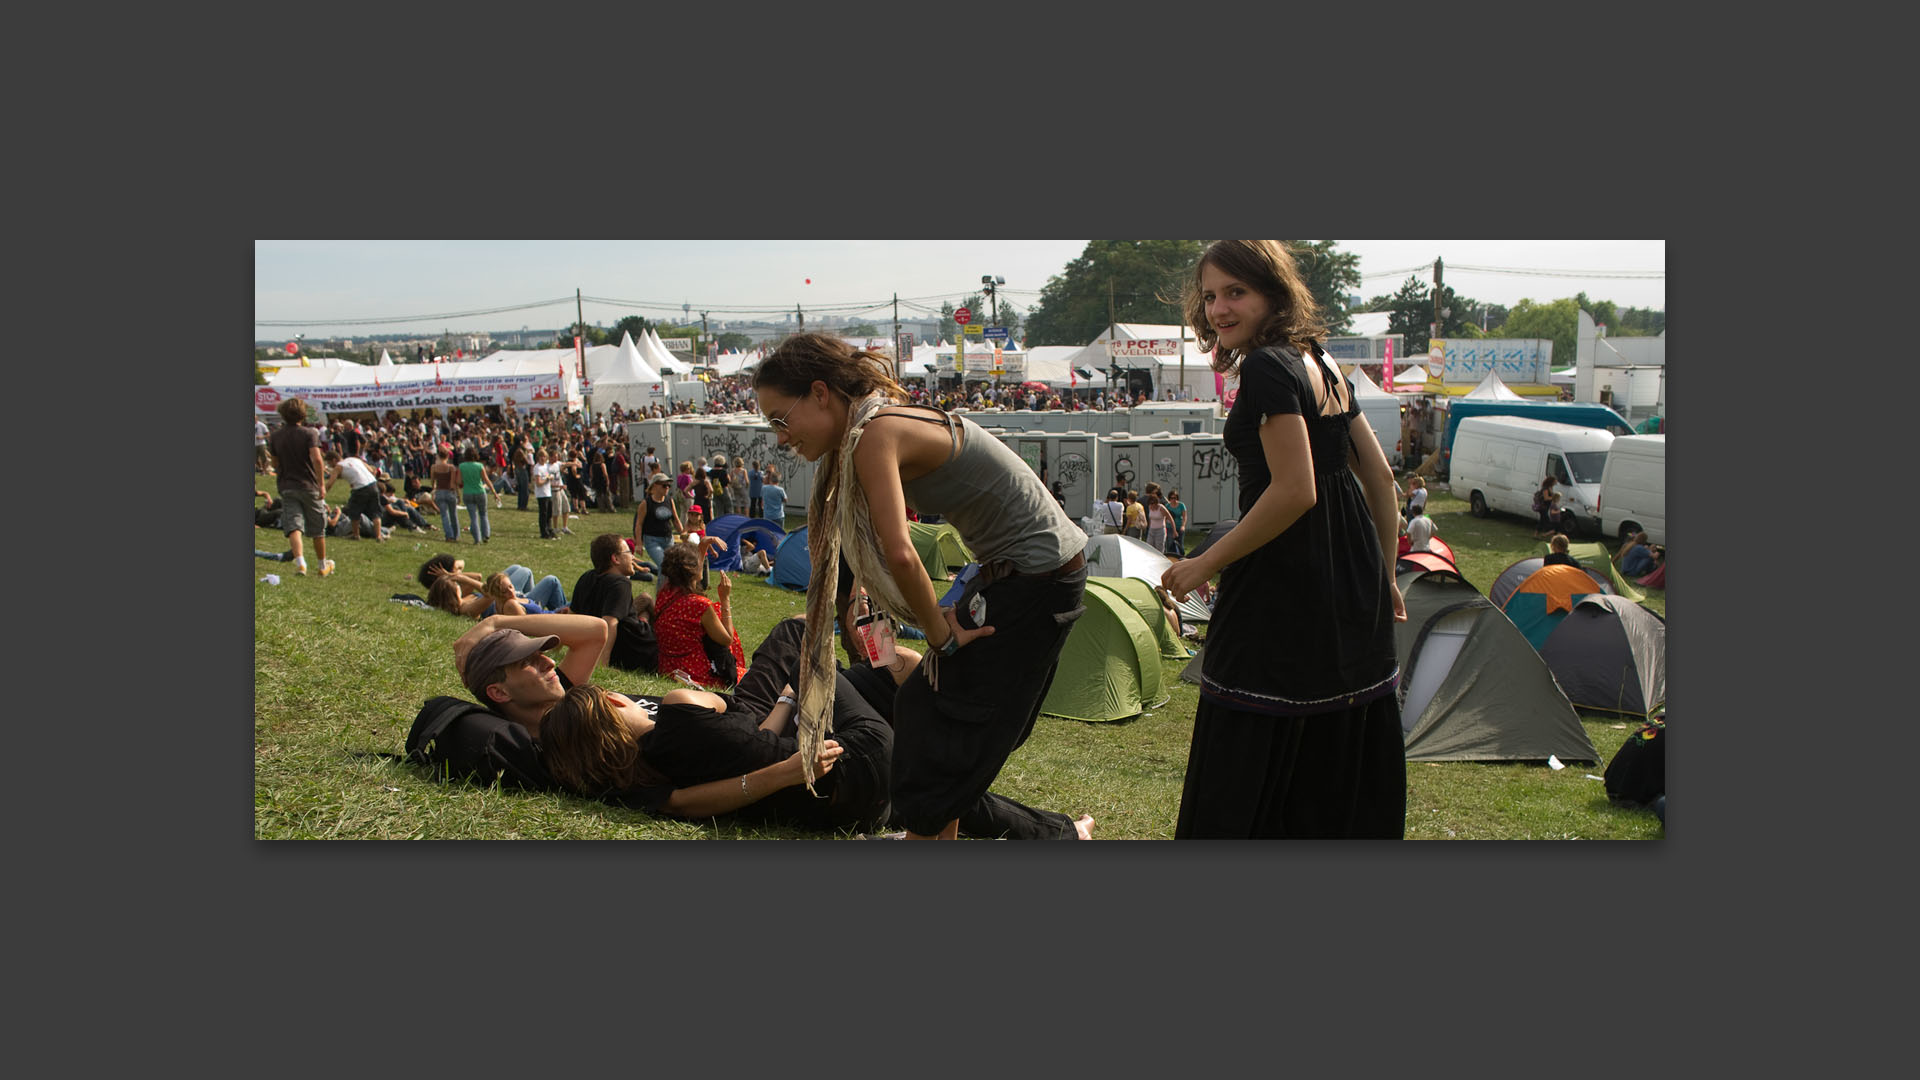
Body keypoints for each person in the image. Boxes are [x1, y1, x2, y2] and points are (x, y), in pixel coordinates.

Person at [753, 331, 1096, 841]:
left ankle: (947, 837)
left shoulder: (873, 434)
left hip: (1039, 576)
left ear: (821, 393)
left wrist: (940, 635)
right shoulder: (874, 425)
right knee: (929, 708)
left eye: (781, 419)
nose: (780, 437)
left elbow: (901, 553)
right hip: (1021, 571)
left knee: (948, 720)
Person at [1161, 239, 1406, 839]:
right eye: (1211, 295)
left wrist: (1201, 565)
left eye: (1236, 292)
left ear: (1273, 291)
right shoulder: (1318, 359)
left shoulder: (1270, 365)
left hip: (1285, 580)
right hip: (1347, 577)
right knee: (1331, 755)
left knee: (1246, 743)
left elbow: (1296, 491)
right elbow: (1378, 479)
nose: (1219, 308)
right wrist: (1384, 574)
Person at [651, 540, 746, 688]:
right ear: (692, 570)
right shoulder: (699, 605)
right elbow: (727, 639)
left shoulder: (664, 592)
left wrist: (704, 545)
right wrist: (725, 599)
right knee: (750, 676)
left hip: (668, 668)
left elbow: (691, 573)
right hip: (695, 672)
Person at [570, 533, 659, 672]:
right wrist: (602, 665)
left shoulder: (586, 577)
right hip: (641, 653)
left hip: (629, 639)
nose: (633, 557)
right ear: (615, 558)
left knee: (645, 600)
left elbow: (572, 616)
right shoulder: (620, 582)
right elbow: (610, 623)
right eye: (629, 552)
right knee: (647, 604)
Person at [266, 397, 333, 577]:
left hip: (287, 485)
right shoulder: (310, 433)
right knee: (318, 527)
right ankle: (321, 565)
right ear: (302, 414)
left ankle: (301, 563)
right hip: (309, 485)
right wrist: (321, 484)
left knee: (294, 526)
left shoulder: (275, 436)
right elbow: (317, 459)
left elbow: (274, 462)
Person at [633, 472, 684, 568]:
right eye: (664, 485)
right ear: (655, 485)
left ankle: (666, 583)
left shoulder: (669, 500)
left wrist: (684, 535)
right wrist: (639, 544)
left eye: (668, 486)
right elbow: (639, 524)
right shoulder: (646, 503)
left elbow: (676, 520)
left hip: (668, 539)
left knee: (672, 568)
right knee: (664, 565)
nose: (667, 488)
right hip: (652, 540)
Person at [458, 446, 495, 545]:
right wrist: (494, 492)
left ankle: (477, 539)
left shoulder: (461, 466)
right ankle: (486, 535)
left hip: (468, 493)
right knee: (483, 514)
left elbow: (459, 481)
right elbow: (486, 480)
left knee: (473, 517)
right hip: (480, 492)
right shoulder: (479, 466)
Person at [430, 447, 461, 542]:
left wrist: (434, 489)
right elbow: (453, 483)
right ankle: (456, 535)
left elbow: (432, 481)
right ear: (448, 456)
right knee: (453, 515)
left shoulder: (434, 467)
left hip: (439, 492)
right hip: (449, 491)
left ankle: (449, 535)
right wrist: (458, 495)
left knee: (444, 515)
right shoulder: (451, 467)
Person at [533, 447, 557, 539]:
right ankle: (544, 532)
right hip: (541, 494)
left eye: (544, 456)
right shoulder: (537, 468)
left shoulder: (545, 466)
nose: (543, 458)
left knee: (549, 513)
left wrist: (550, 477)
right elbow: (538, 483)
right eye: (541, 456)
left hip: (548, 492)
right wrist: (547, 479)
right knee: (543, 513)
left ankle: (549, 530)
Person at [1164, 489, 1188, 556]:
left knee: (1180, 544)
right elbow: (1165, 517)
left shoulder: (1181, 505)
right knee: (1170, 543)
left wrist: (1183, 526)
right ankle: (1170, 556)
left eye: (1175, 498)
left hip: (1179, 526)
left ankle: (1181, 556)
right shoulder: (1167, 506)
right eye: (1171, 498)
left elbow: (1184, 516)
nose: (1173, 499)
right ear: (1169, 498)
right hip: (1170, 527)